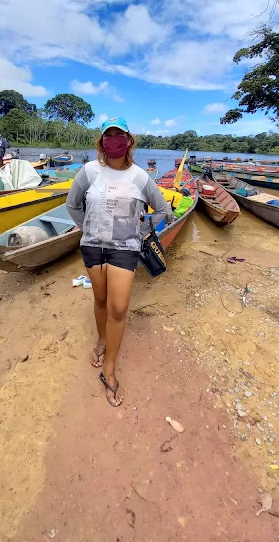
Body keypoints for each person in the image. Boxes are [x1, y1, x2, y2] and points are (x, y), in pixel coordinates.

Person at [66, 117, 169, 407]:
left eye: (119, 134)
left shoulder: (140, 177)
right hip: (93, 246)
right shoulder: (88, 172)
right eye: (108, 135)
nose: (113, 139)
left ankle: (109, 370)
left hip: (125, 249)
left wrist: (143, 231)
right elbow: (72, 205)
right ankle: (101, 340)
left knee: (119, 307)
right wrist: (86, 228)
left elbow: (161, 209)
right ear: (101, 142)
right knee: (100, 300)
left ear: (128, 140)